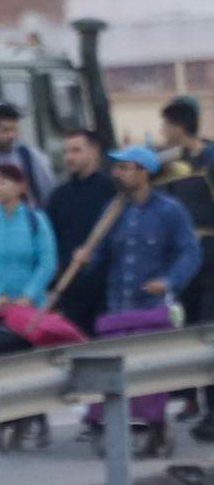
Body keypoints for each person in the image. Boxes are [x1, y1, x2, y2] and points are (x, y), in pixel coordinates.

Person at [77, 146, 202, 316]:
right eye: (116, 167)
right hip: (119, 308)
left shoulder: (170, 210)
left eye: (123, 167)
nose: (116, 174)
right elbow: (100, 254)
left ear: (145, 171)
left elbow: (190, 253)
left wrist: (168, 281)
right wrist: (87, 259)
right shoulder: (111, 210)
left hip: (157, 308)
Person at [156, 97, 214, 436]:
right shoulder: (174, 163)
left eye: (165, 125)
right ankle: (195, 400)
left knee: (208, 334)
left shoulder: (209, 160)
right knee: (191, 334)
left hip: (211, 259)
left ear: (179, 126)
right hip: (185, 263)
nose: (163, 132)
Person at [46, 128, 115, 335]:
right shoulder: (58, 196)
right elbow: (52, 244)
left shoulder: (112, 191)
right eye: (66, 152)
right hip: (72, 287)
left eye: (76, 150)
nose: (69, 157)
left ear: (94, 151)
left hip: (107, 285)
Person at [0, 164, 57, 313]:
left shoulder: (37, 220)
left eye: (2, 182)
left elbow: (47, 262)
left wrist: (29, 295)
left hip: (32, 308)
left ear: (21, 185)